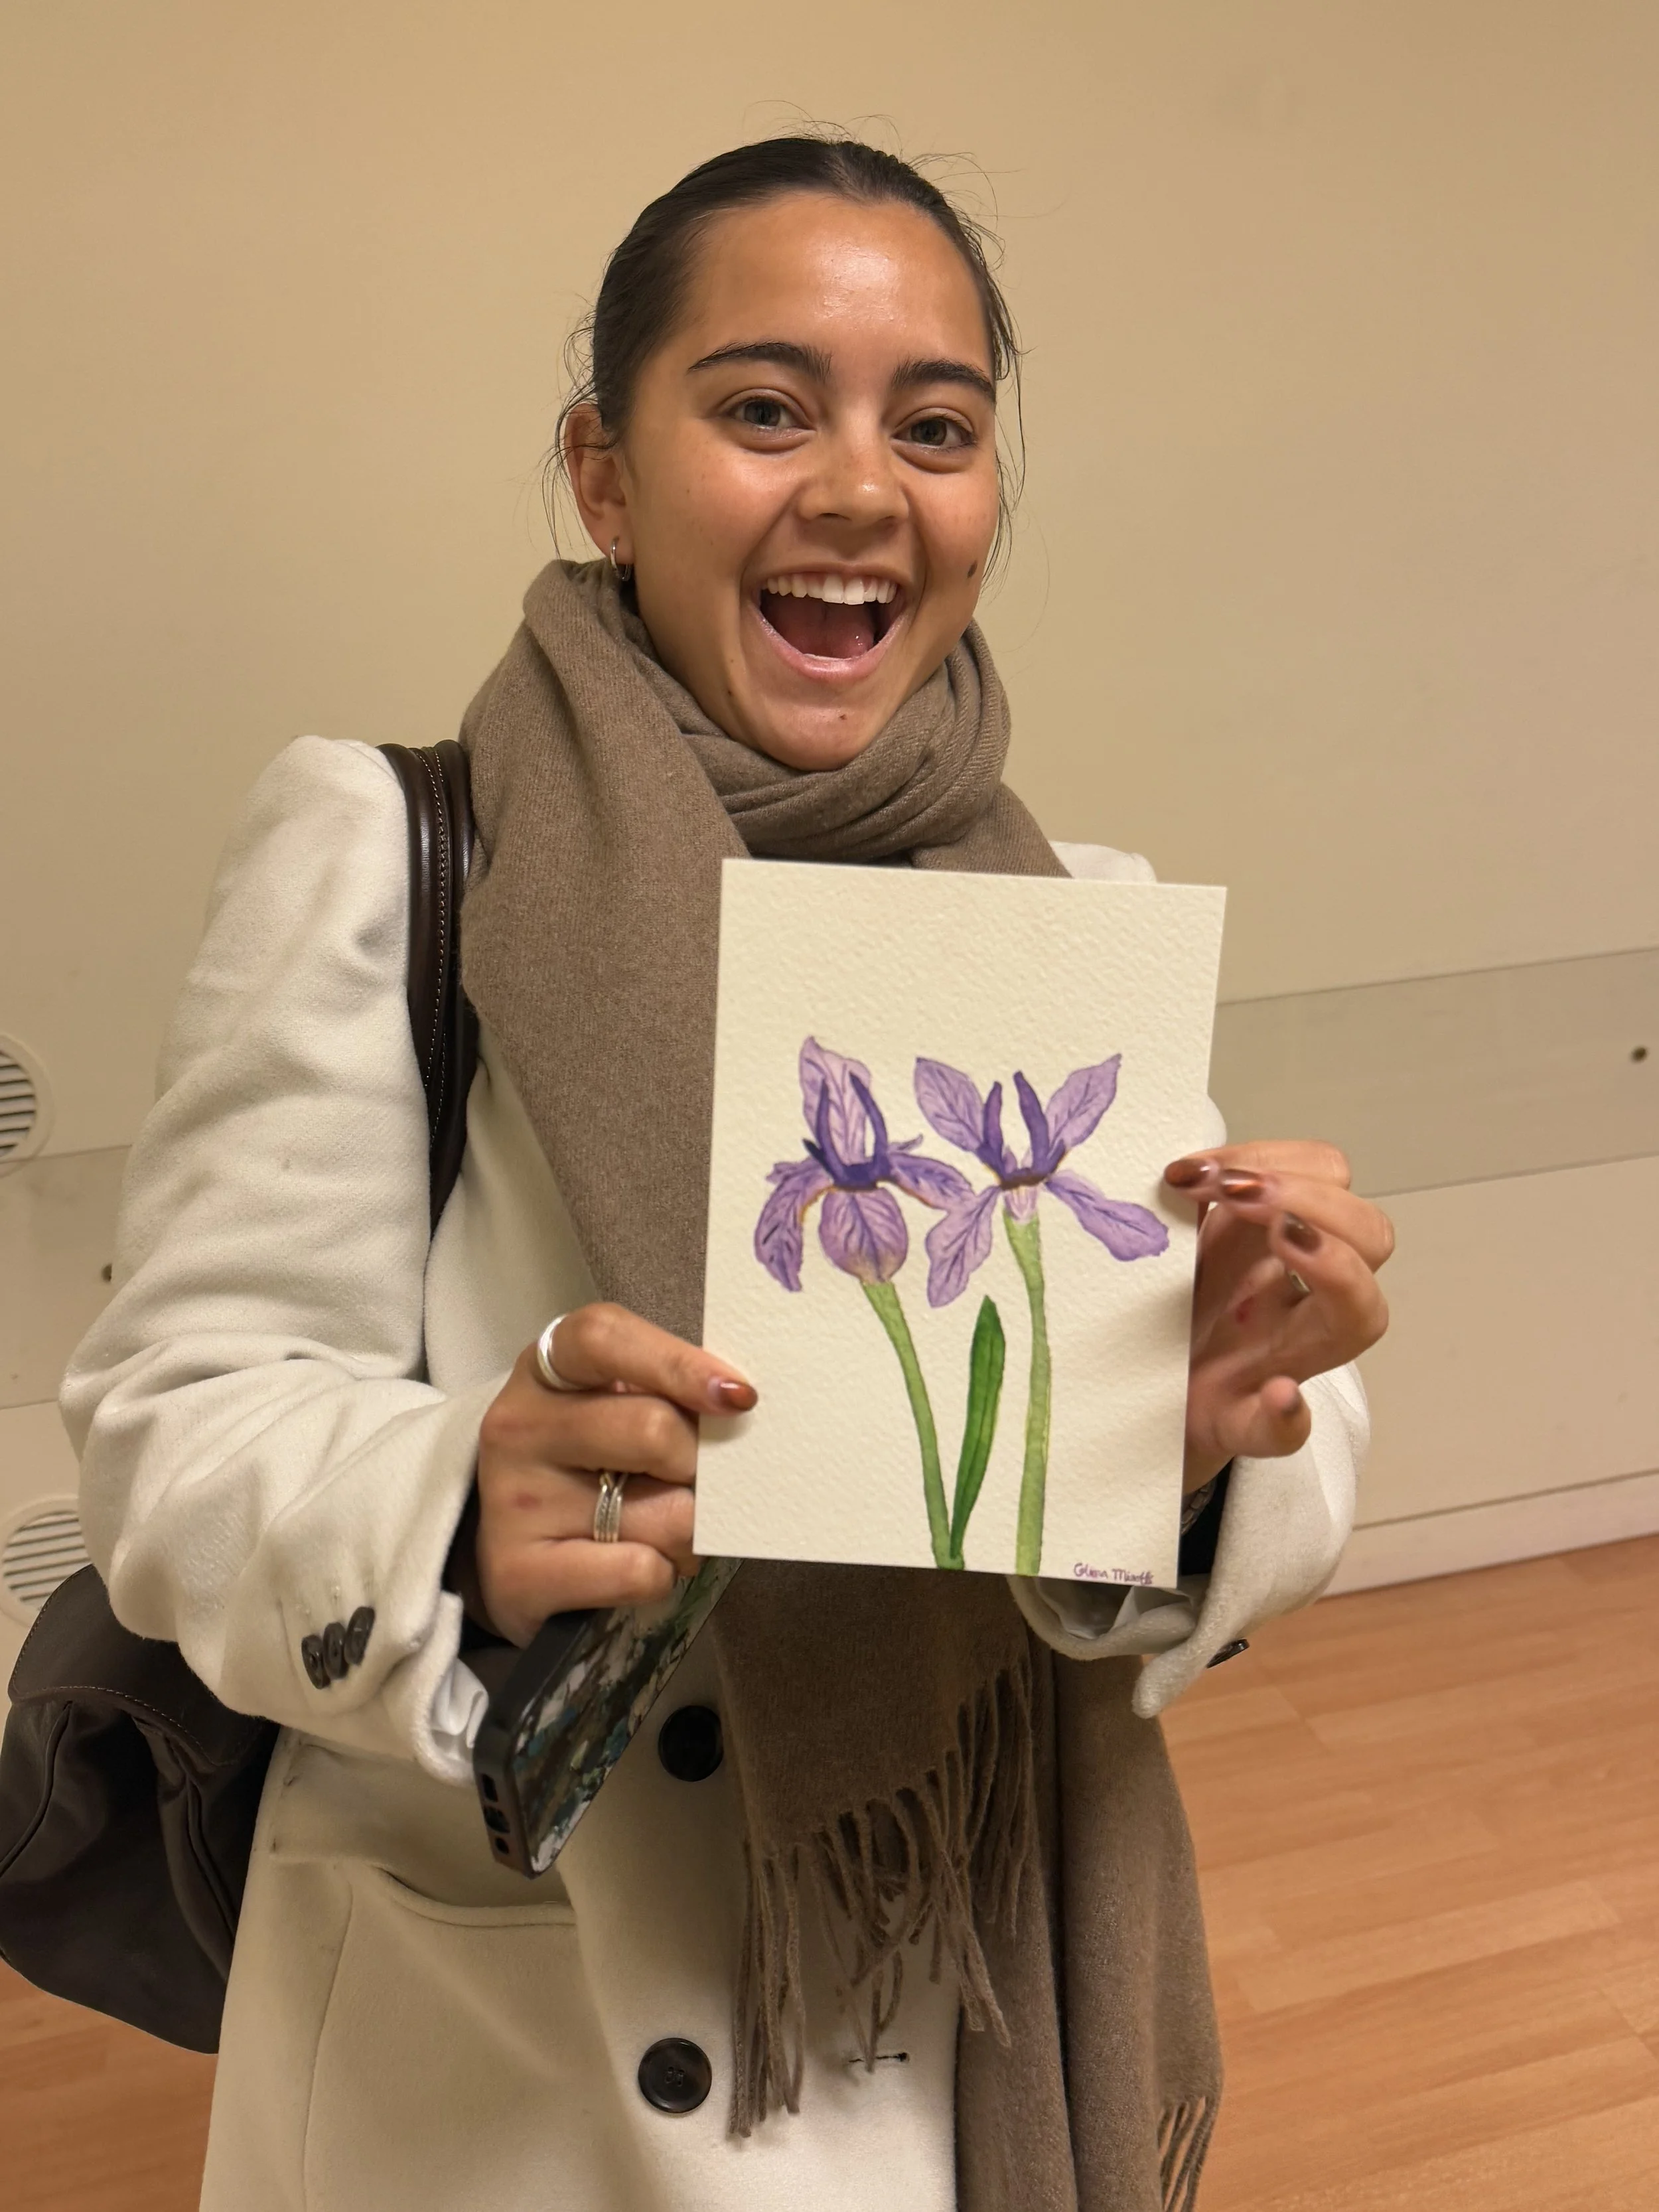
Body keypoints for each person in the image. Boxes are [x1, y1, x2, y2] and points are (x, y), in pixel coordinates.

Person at [63, 135, 1392, 2212]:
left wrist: (1215, 1431)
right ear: (603, 471)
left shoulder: (1058, 928)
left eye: (933, 427)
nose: (861, 486)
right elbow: (175, 1429)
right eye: (765, 407)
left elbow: (1189, 1503)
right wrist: (453, 1509)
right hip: (509, 2059)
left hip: (953, 2035)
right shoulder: (393, 850)